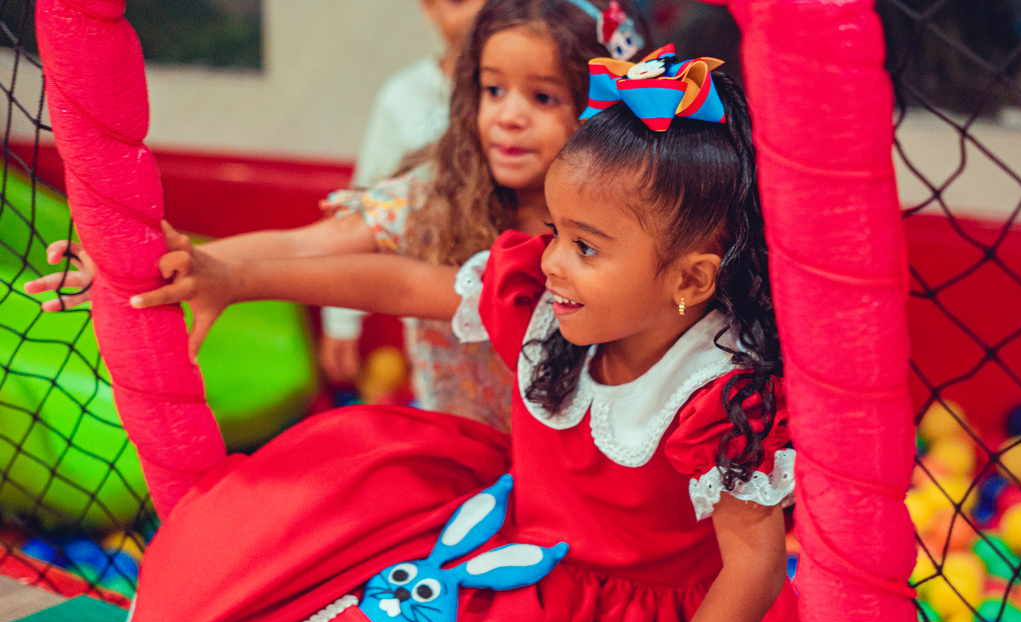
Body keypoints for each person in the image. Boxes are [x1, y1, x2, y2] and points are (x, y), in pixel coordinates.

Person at [39, 51, 799, 622]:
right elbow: (405, 283)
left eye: (587, 246)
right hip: (525, 582)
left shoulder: (719, 397)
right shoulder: (546, 307)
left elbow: (756, 570)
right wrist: (233, 277)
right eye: (556, 231)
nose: (553, 262)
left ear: (690, 278)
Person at [26, 0, 650, 433]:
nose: (509, 116)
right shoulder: (440, 193)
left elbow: (408, 288)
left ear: (596, 111)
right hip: (465, 446)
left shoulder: (609, 220)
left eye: (542, 97)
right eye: (492, 90)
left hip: (578, 459)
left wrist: (228, 277)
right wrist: (154, 266)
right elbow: (306, 246)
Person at [321, 0, 487, 383]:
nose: (479, 9)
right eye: (459, 0)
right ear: (429, 7)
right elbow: (366, 208)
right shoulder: (403, 97)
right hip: (434, 331)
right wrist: (341, 322)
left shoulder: (523, 104)